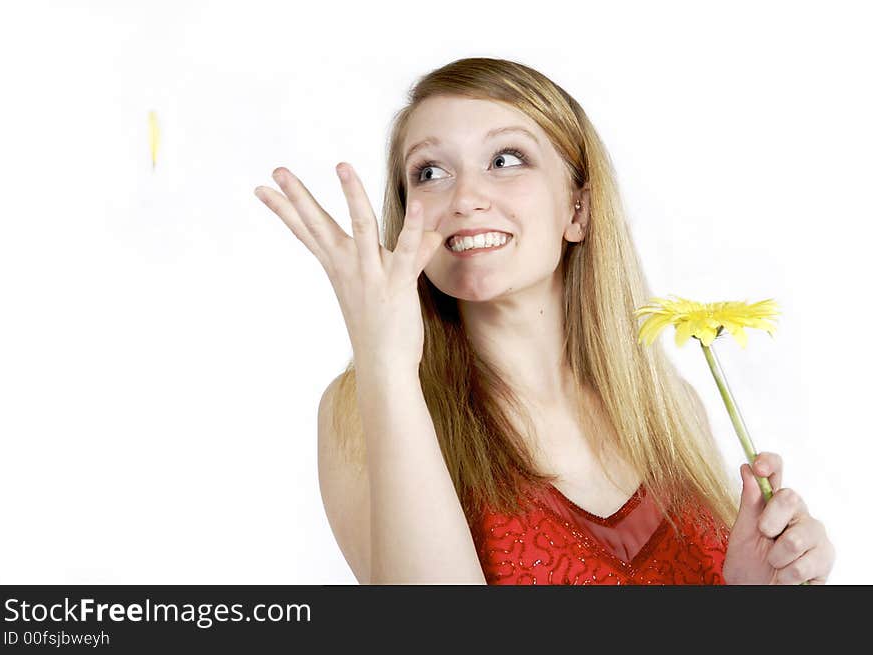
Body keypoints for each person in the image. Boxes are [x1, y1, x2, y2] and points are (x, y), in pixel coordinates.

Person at [254, 57, 835, 585]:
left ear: (578, 209)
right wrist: (385, 360)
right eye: (430, 172)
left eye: (505, 160)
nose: (466, 198)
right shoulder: (363, 407)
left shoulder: (667, 404)